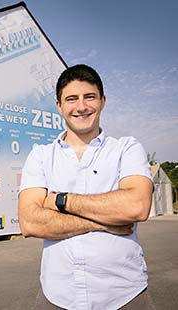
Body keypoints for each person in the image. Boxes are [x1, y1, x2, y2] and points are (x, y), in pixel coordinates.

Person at [18, 64, 155, 310]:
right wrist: (104, 221)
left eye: (89, 97)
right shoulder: (40, 156)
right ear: (59, 106)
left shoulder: (126, 148)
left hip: (125, 295)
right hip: (58, 295)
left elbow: (137, 206)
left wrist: (61, 201)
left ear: (102, 101)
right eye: (71, 99)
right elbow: (30, 222)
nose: (81, 106)